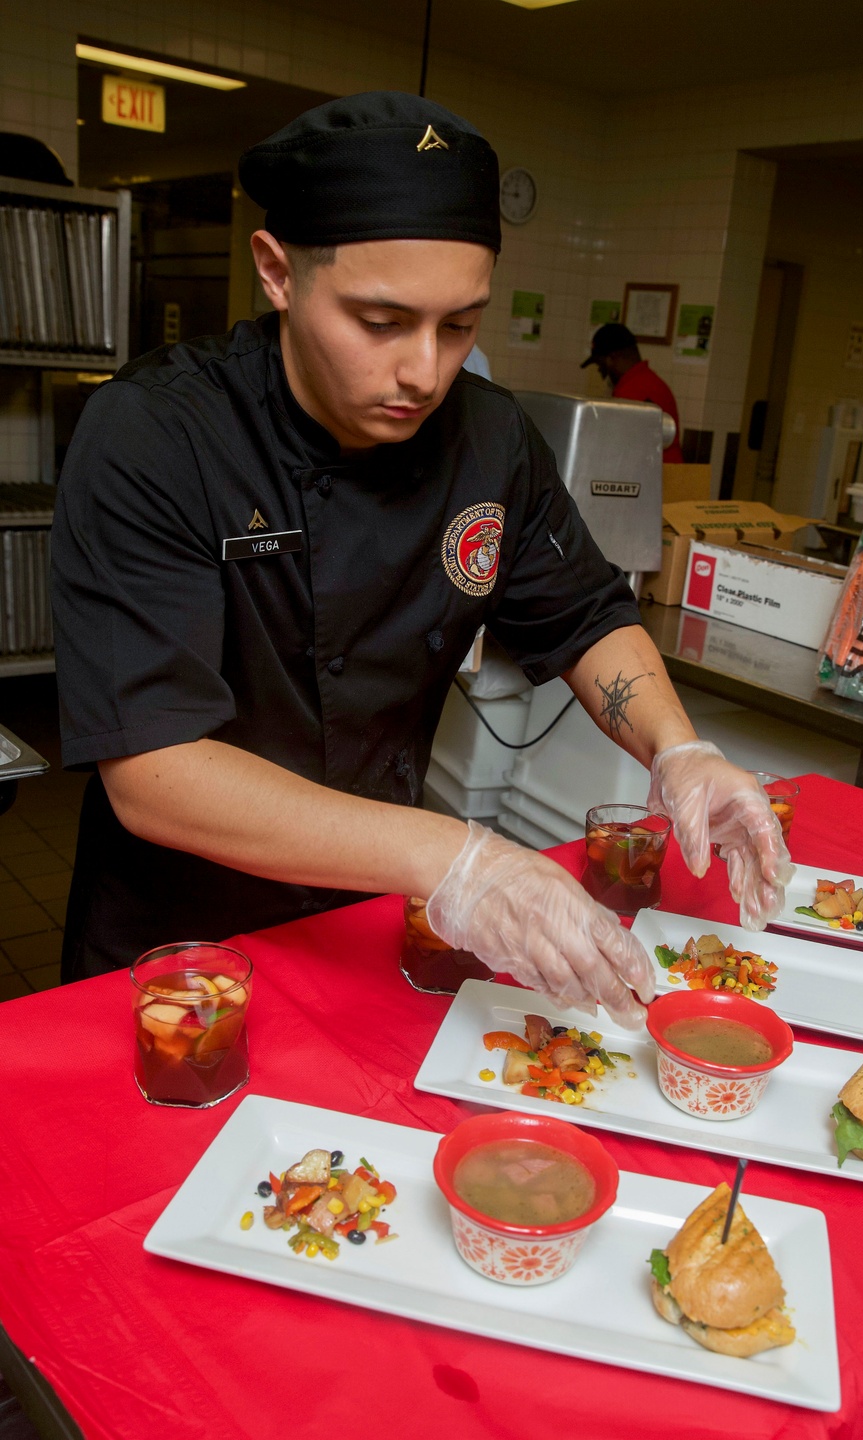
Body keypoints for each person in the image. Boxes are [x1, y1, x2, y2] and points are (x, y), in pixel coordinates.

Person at [51, 92, 791, 1027]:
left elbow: (585, 614)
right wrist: (458, 859)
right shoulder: (157, 433)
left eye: (459, 325)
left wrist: (680, 748)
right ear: (277, 272)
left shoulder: (490, 439)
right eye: (380, 321)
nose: (425, 373)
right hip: (180, 955)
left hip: (372, 918)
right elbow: (154, 770)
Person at [581, 321, 684, 463]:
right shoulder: (650, 382)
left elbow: (617, 446)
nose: (600, 371)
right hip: (669, 472)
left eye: (600, 364)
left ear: (612, 358)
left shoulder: (630, 394)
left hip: (658, 475)